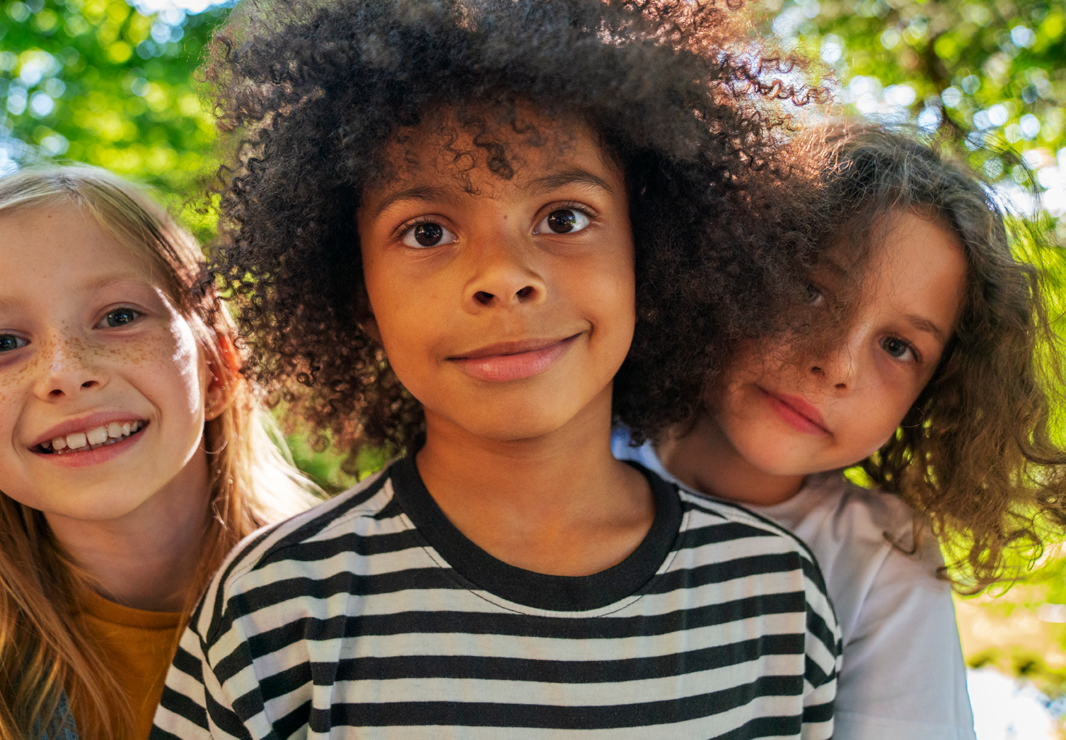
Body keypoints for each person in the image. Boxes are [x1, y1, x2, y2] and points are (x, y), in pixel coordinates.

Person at [153, 0, 843, 737]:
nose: (504, 276)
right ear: (358, 293)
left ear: (654, 252)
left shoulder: (773, 594)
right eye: (427, 231)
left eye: (565, 217)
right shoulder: (277, 607)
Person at [615, 125, 1066, 739]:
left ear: (934, 394)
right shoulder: (581, 442)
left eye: (898, 346)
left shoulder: (883, 557)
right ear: (725, 271)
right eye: (810, 291)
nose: (838, 365)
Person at [0, 168, 318, 740]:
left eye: (119, 317)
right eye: (0, 343)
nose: (65, 374)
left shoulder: (376, 602)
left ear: (217, 368)